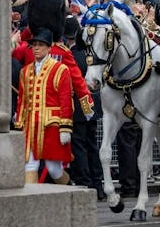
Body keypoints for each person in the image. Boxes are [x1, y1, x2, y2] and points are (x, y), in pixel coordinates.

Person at [13, 28, 74, 184]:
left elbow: (65, 100)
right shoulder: (25, 71)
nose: (36, 48)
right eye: (34, 45)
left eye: (40, 45)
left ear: (48, 47)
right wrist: (19, 121)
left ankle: (68, 188)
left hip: (51, 125)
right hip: (30, 126)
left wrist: (65, 127)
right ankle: (32, 204)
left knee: (54, 168)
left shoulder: (60, 69)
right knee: (29, 165)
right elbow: (22, 99)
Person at [64, 16, 105, 199]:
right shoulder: (89, 54)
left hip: (78, 106)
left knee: (79, 146)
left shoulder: (69, 56)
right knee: (92, 145)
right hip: (92, 105)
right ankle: (98, 183)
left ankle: (85, 182)